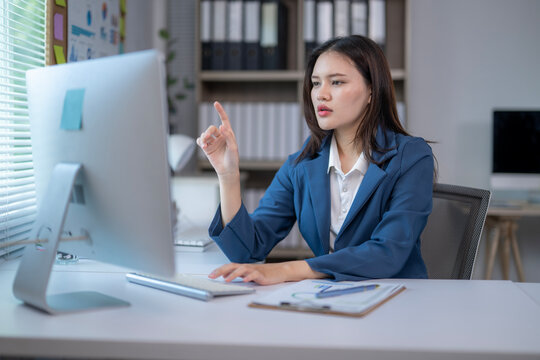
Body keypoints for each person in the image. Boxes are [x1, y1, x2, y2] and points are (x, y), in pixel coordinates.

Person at [196, 35, 434, 285]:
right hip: (333, 302)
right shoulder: (301, 165)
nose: (321, 94)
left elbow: (389, 252)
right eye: (316, 83)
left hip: (399, 301)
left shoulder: (411, 157)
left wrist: (287, 270)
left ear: (371, 91)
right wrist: (228, 175)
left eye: (337, 82)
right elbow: (246, 250)